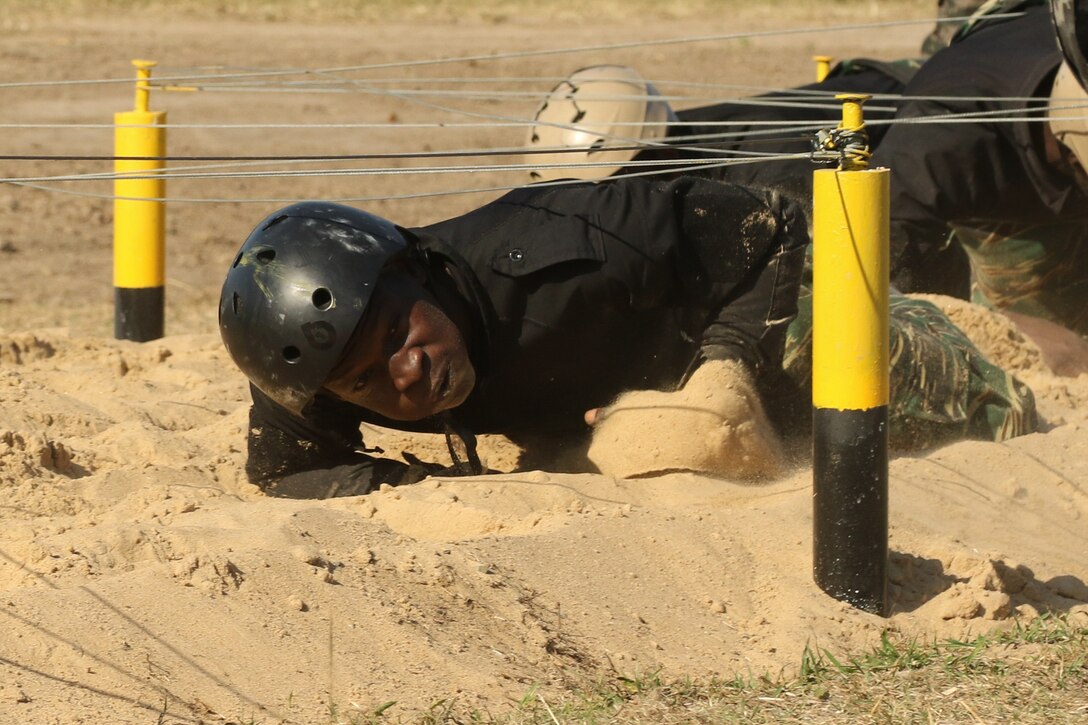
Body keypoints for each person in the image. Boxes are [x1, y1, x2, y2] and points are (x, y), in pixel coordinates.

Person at [220, 177, 809, 497]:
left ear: (409, 270)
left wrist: (720, 374)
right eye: (365, 379)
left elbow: (774, 223)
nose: (406, 372)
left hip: (770, 317)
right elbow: (283, 472)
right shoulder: (312, 367)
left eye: (398, 332)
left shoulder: (579, 239)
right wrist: (422, 485)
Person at [866, 0, 1088, 373]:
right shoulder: (940, 141)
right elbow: (859, 286)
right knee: (1064, 354)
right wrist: (1007, 330)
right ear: (1069, 156)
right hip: (1004, 207)